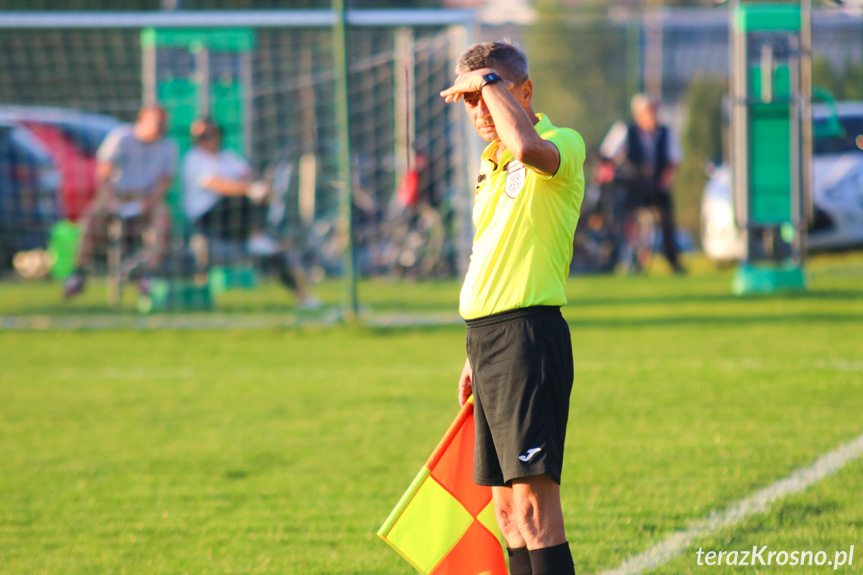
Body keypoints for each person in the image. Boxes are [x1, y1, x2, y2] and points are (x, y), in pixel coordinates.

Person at [440, 41, 585, 575]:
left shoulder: (558, 143)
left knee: (534, 508)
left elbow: (526, 147)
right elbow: (491, 262)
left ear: (523, 91)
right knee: (506, 512)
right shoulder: (487, 167)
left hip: (529, 339)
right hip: (490, 342)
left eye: (487, 94)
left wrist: (489, 83)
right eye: (470, 100)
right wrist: (473, 352)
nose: (478, 110)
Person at [181, 117, 317, 308]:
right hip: (209, 220)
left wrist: (258, 188)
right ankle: (257, 234)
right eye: (200, 136)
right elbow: (217, 185)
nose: (205, 139)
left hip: (239, 222)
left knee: (272, 253)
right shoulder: (193, 158)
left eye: (209, 135)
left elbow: (248, 176)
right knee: (244, 197)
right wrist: (249, 189)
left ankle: (302, 296)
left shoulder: (228, 156)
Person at [63, 105, 176, 298]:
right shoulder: (121, 138)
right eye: (157, 122)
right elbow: (103, 174)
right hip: (116, 196)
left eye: (163, 123)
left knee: (162, 218)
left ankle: (148, 274)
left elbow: (165, 182)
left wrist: (148, 202)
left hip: (145, 199)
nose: (161, 127)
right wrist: (111, 200)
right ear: (142, 120)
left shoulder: (168, 146)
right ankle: (79, 273)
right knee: (91, 218)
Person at [599, 93, 686, 273]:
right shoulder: (625, 130)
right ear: (639, 114)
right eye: (650, 111)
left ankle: (673, 259)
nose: (654, 115)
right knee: (618, 216)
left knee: (666, 219)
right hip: (631, 185)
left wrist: (664, 181)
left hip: (655, 185)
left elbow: (673, 162)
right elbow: (609, 155)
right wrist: (608, 172)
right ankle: (612, 258)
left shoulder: (666, 133)